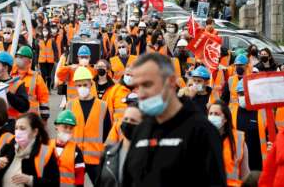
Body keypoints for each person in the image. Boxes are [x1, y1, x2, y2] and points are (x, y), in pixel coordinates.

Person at [122, 53, 226, 186]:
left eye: (147, 84)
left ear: (170, 82)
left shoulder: (202, 131)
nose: (141, 93)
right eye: (138, 86)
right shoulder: (141, 129)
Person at [66, 66, 111, 184]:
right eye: (79, 85)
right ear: (75, 86)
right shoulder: (69, 106)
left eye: (85, 85)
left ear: (91, 84)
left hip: (96, 158)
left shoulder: (103, 106)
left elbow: (107, 133)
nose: (82, 88)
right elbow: (65, 132)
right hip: (74, 157)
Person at [0, 113, 60, 187]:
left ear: (35, 132)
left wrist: (30, 180)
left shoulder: (45, 153)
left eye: (22, 128)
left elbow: (54, 184)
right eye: (16, 128)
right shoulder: (8, 148)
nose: (18, 132)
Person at [96, 104, 143, 187]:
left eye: (133, 121)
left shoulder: (148, 155)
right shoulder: (108, 153)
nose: (128, 123)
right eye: (126, 119)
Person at [208, 100, 250, 186]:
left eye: (217, 114)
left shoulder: (238, 139)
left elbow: (245, 173)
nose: (212, 116)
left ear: (225, 119)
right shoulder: (202, 138)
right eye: (210, 113)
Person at [229, 80, 268, 171]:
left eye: (247, 93)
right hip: (238, 164)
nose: (244, 96)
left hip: (258, 165)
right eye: (241, 94)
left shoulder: (262, 112)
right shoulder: (231, 111)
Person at [12, 46, 50, 121]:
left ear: (29, 60)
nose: (18, 59)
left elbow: (44, 100)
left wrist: (44, 119)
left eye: (22, 57)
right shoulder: (10, 75)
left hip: (30, 120)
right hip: (13, 119)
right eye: (17, 56)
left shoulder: (36, 77)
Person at [0, 51, 30, 119]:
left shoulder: (17, 84)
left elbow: (24, 107)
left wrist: (8, 93)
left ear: (5, 68)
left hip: (10, 124)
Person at [53, 110, 85, 187]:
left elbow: (80, 175)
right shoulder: (46, 146)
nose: (68, 130)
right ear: (56, 126)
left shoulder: (76, 150)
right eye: (65, 127)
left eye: (71, 128)